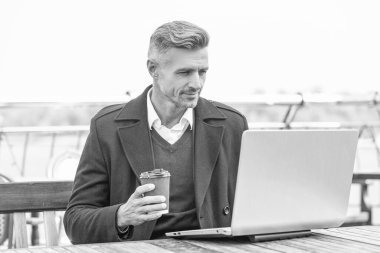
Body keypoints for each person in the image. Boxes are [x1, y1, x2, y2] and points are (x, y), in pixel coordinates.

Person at [63, 20, 248, 244]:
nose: (196, 83)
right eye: (184, 72)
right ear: (153, 69)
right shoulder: (107, 128)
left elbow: (254, 206)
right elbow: (76, 222)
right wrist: (121, 216)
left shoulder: (232, 125)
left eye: (202, 71)